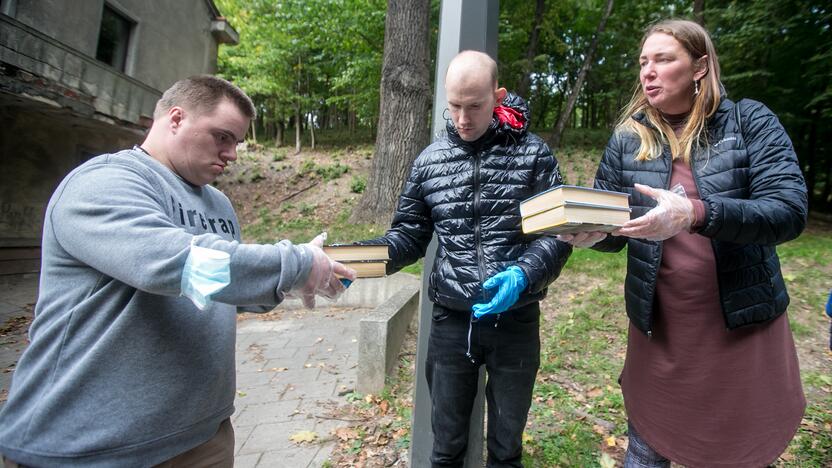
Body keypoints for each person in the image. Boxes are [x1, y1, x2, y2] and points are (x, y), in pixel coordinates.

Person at [0, 75, 355, 467]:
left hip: (203, 437)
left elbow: (217, 286)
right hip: (88, 444)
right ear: (175, 119)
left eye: (236, 142)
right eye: (222, 137)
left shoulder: (218, 204)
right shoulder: (103, 183)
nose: (232, 153)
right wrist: (295, 264)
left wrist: (290, 283)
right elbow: (175, 265)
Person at [559, 19, 808, 467]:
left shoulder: (749, 122)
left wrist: (695, 212)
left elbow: (788, 211)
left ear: (699, 67)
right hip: (663, 333)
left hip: (739, 327)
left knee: (737, 454)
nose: (647, 72)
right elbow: (616, 230)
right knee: (646, 451)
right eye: (642, 62)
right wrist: (590, 235)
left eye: (663, 59)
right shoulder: (627, 140)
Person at [358, 51, 571, 467]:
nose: (462, 118)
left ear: (498, 96)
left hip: (517, 319)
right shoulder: (429, 162)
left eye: (474, 106)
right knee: (446, 446)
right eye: (453, 105)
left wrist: (524, 274)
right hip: (452, 322)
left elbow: (558, 233)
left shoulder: (533, 156)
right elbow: (407, 237)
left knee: (507, 447)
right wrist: (358, 262)